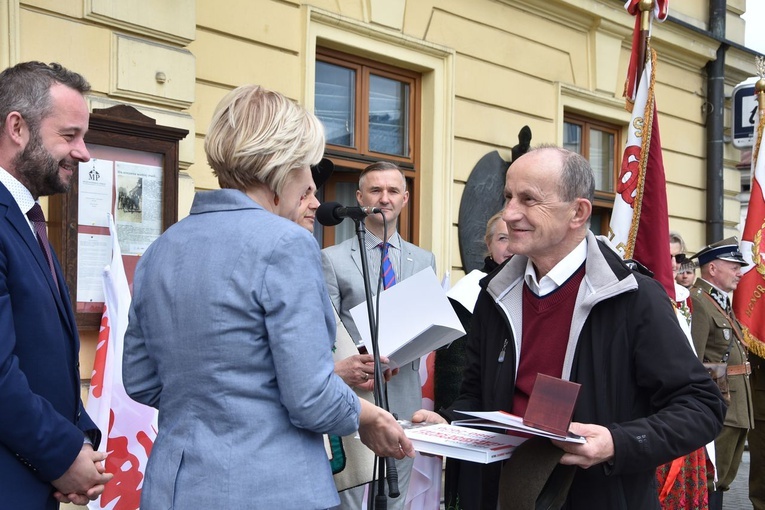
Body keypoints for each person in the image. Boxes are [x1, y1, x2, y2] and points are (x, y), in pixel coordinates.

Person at [122, 84, 414, 509]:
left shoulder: (162, 247)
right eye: (306, 166)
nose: (310, 182)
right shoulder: (287, 244)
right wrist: (368, 416)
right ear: (283, 164)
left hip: (173, 487)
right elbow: (311, 398)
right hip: (269, 487)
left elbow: (141, 380)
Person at [413, 145, 725, 509]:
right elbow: (476, 396)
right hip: (505, 493)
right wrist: (449, 423)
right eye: (508, 196)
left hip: (598, 496)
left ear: (578, 212)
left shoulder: (633, 297)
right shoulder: (493, 294)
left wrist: (615, 442)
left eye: (529, 199)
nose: (510, 213)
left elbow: (702, 407)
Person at [0, 61, 112, 509]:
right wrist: (63, 457)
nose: (83, 153)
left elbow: (45, 357)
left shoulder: (26, 220)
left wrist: (79, 443)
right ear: (17, 128)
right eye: (70, 136)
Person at [321, 161, 437, 509]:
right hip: (357, 397)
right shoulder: (332, 259)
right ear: (359, 198)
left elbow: (425, 322)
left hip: (405, 396)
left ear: (405, 198)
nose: (383, 198)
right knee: (354, 500)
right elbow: (325, 333)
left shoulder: (424, 259)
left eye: (391, 191)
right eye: (375, 190)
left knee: (397, 498)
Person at [437, 210, 514, 509]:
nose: (509, 246)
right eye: (502, 238)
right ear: (489, 244)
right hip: (475, 420)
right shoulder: (470, 293)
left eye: (513, 237)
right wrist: (450, 418)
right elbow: (453, 368)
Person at [689, 237, 753, 510]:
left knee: (724, 478)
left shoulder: (718, 302)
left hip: (736, 405)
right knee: (713, 479)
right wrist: (714, 401)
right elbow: (694, 361)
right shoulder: (699, 302)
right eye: (734, 266)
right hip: (721, 405)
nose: (740, 273)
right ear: (712, 269)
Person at [655, 231, 709, 509]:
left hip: (683, 407)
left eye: (678, 257)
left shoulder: (684, 299)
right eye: (669, 256)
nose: (675, 264)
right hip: (655, 413)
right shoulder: (647, 297)